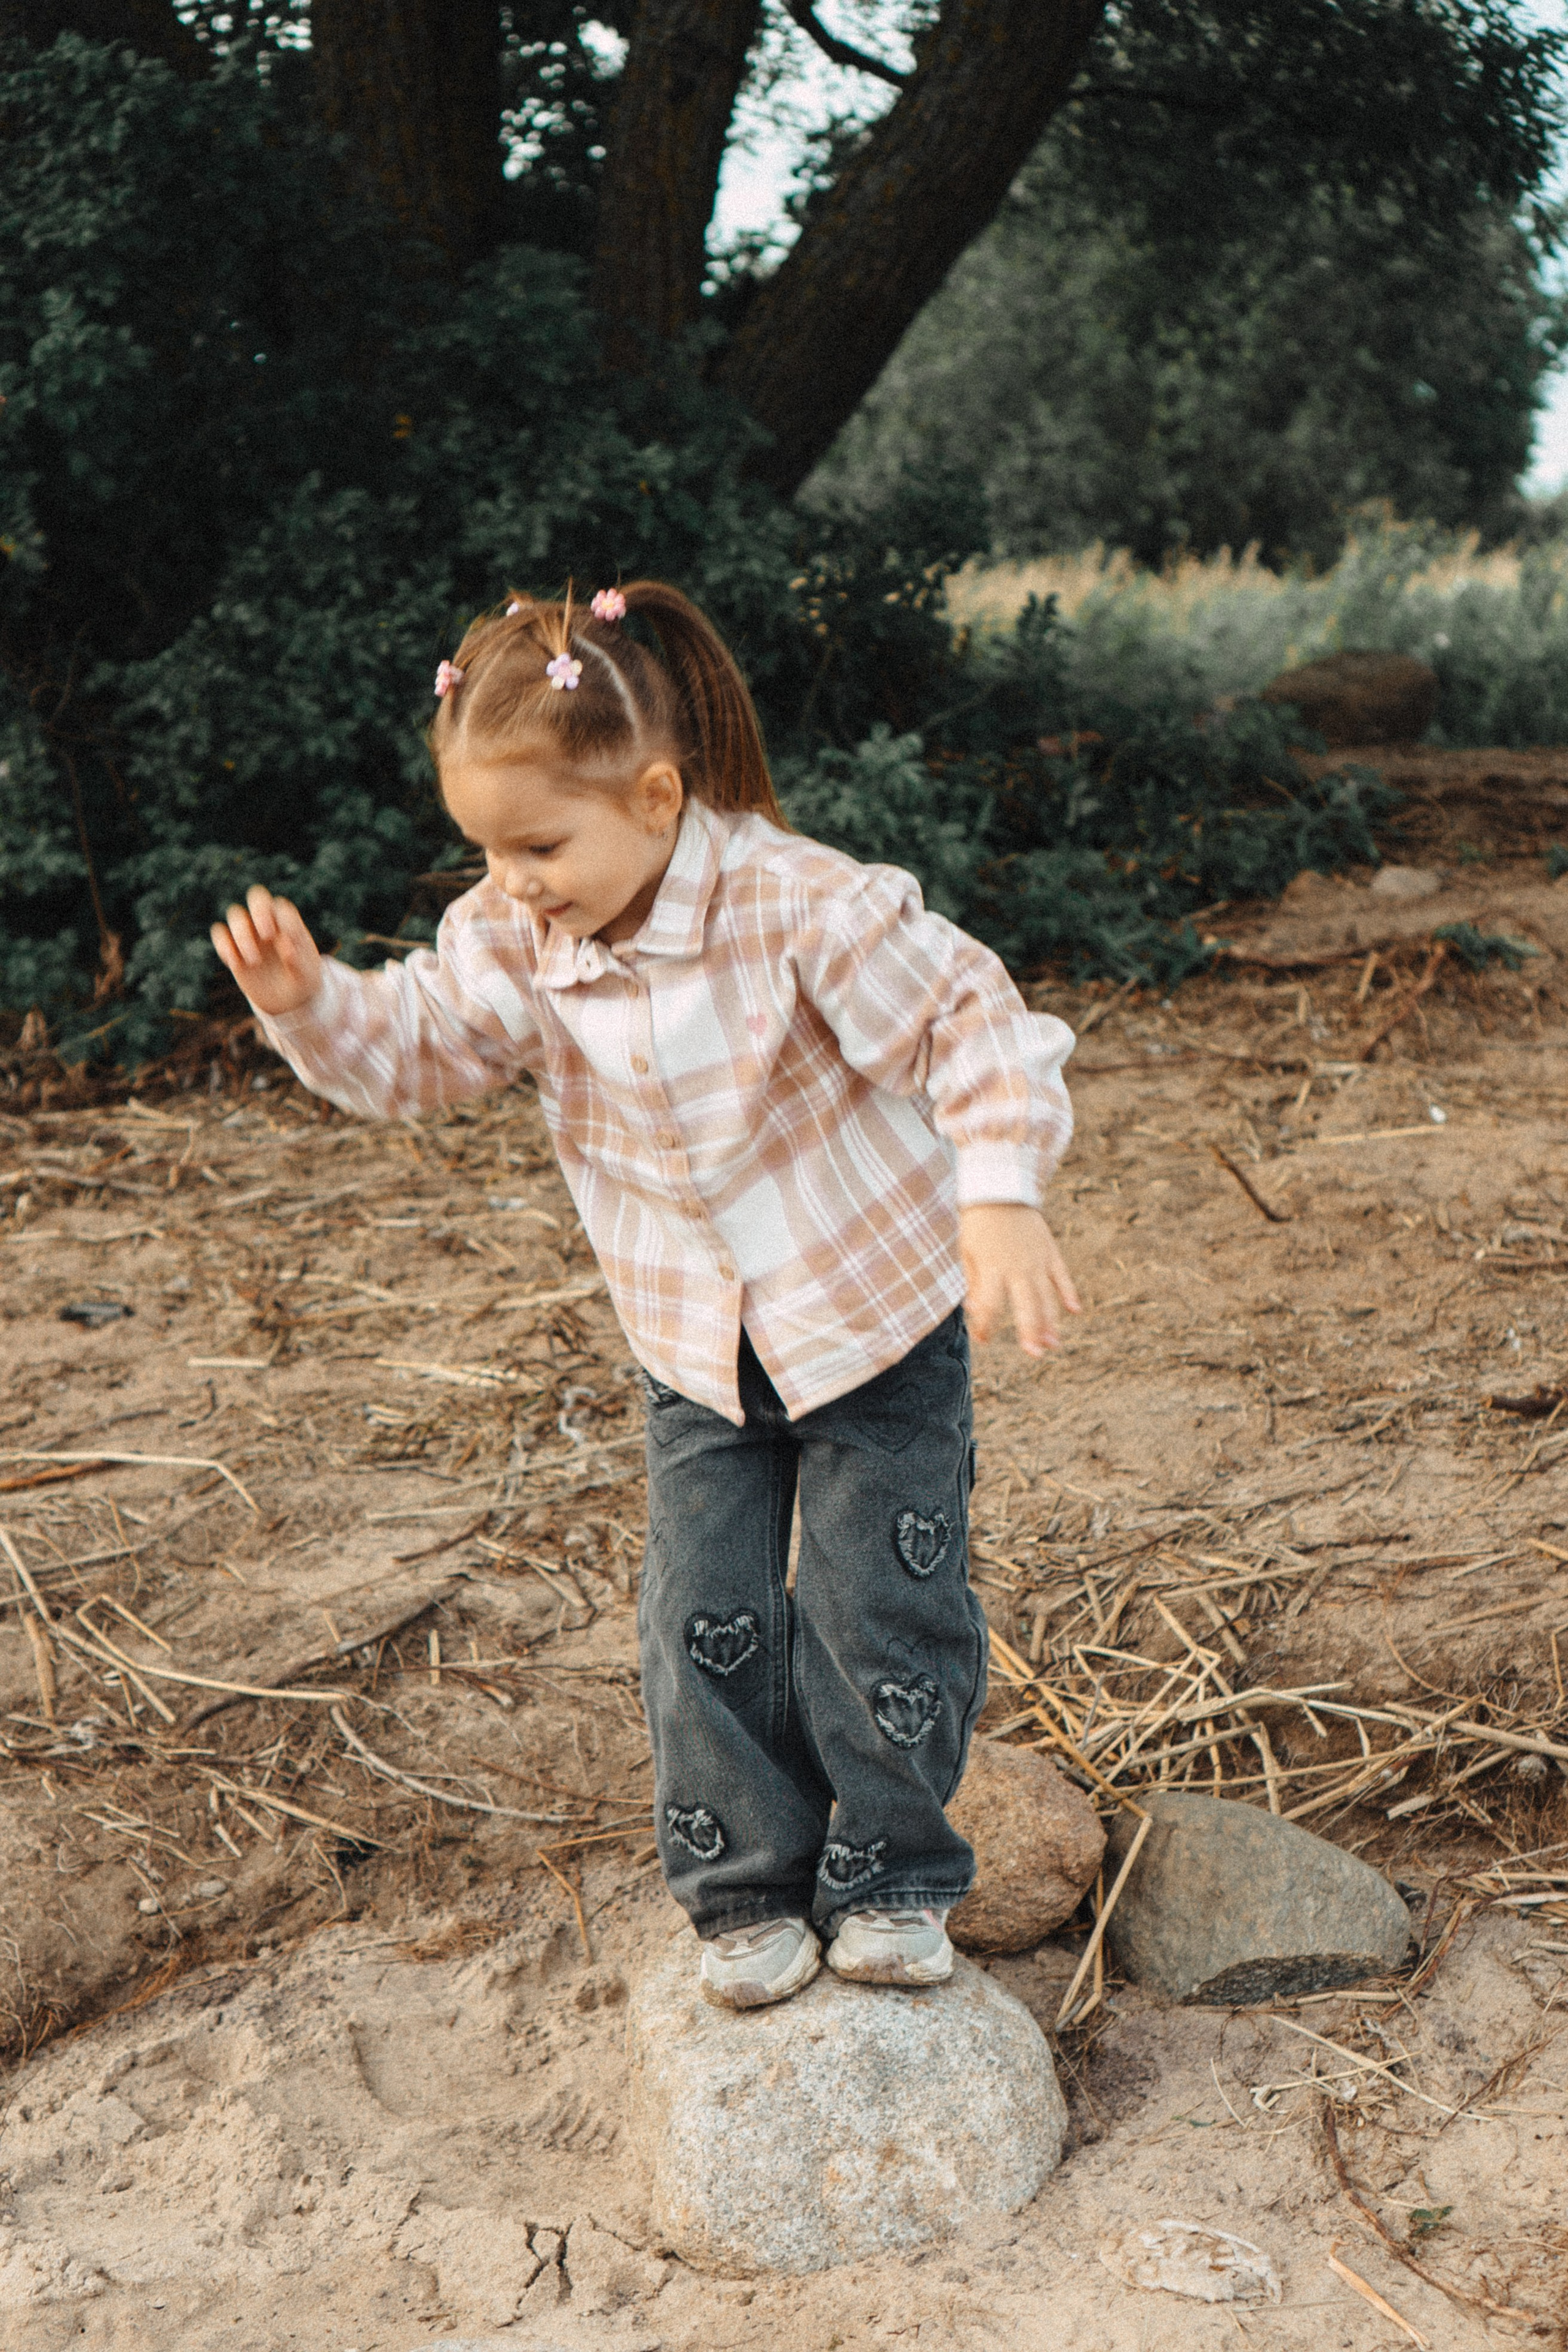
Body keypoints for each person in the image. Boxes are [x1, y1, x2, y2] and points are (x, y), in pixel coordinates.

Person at [211, 580, 1079, 2011]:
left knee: (881, 1604)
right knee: (702, 1612)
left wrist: (997, 1191)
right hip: (692, 1344)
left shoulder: (798, 903)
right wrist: (309, 1003)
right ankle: (741, 1890)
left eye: (538, 843)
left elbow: (968, 1017)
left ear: (659, 796)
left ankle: (893, 1880)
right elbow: (419, 1044)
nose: (511, 879)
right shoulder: (511, 938)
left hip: (871, 1317)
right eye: (486, 849)